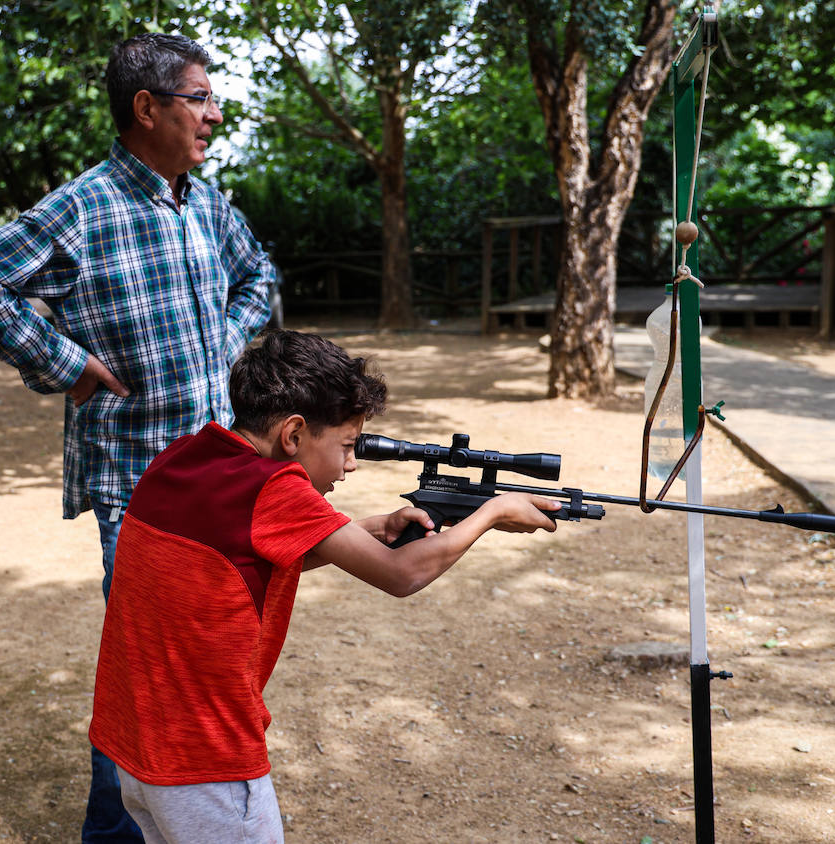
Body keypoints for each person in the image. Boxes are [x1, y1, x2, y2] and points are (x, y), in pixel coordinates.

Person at [0, 33, 276, 843]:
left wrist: (225, 340)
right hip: (139, 488)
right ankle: (115, 833)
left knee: (196, 667)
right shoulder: (82, 206)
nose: (215, 115)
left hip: (217, 476)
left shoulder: (204, 201)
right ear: (146, 108)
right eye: (200, 97)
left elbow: (259, 276)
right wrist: (64, 362)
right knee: (148, 673)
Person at [89, 329, 560, 842]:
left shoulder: (185, 456)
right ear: (293, 434)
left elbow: (245, 559)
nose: (351, 464)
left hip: (134, 747)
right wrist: (491, 514)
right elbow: (403, 575)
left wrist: (370, 528)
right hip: (208, 760)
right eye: (347, 446)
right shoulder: (276, 488)